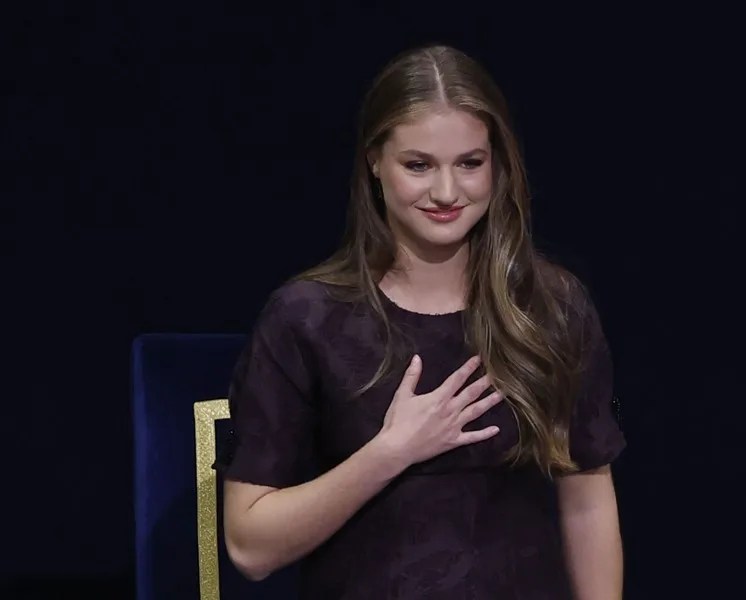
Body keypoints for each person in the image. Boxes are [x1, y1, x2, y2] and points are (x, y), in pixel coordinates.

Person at [214, 43, 626, 599]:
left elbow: (587, 505)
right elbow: (250, 547)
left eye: (470, 163)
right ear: (374, 161)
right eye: (418, 165)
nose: (447, 192)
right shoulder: (306, 318)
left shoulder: (552, 307)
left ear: (497, 163)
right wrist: (390, 453)